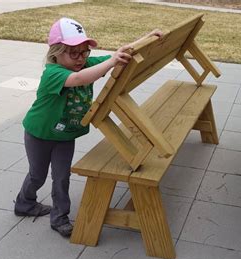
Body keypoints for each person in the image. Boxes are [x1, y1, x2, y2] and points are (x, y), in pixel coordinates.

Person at [14, 17, 163, 237]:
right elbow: (80, 78)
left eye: (85, 52)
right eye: (73, 53)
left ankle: (60, 217)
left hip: (64, 135)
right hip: (39, 134)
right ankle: (24, 203)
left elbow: (115, 58)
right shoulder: (53, 73)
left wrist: (146, 39)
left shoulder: (82, 63)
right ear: (56, 52)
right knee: (37, 175)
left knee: (62, 176)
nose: (80, 58)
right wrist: (110, 62)